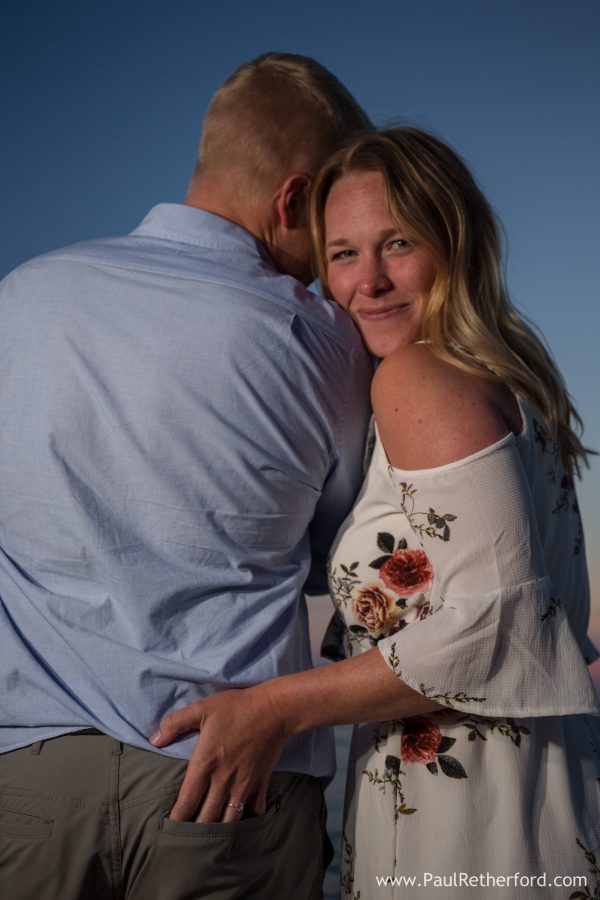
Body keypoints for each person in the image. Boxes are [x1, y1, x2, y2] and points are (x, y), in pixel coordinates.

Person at [153, 128, 600, 899]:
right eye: (343, 253)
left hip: (467, 822)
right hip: (539, 794)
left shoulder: (419, 377)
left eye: (398, 243)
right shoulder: (514, 383)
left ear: (455, 242)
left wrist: (273, 709)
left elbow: (503, 627)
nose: (369, 281)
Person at [0, 54, 373, 900]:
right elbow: (338, 560)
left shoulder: (19, 296)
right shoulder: (325, 343)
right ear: (293, 200)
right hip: (229, 782)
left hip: (28, 774)